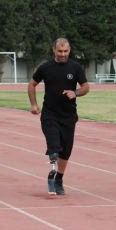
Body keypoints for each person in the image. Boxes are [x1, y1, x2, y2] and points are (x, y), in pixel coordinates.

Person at [28, 38, 89, 196]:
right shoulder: (45, 67)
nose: (62, 54)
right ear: (53, 50)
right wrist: (34, 105)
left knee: (66, 152)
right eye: (59, 51)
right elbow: (32, 84)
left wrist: (74, 93)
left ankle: (59, 179)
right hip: (50, 114)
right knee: (55, 147)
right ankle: (52, 168)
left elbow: (85, 87)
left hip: (69, 116)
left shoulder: (75, 67)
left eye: (65, 51)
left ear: (69, 50)